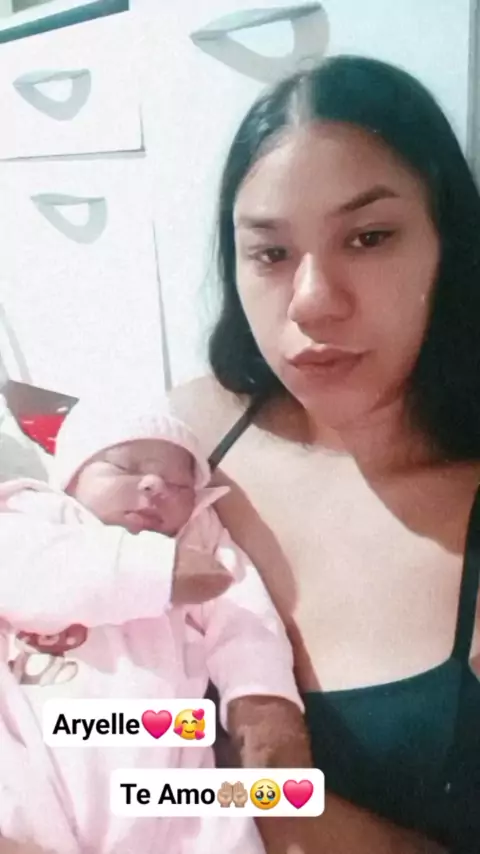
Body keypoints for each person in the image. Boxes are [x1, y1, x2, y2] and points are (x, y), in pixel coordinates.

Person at [171, 55, 480, 854]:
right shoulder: (180, 439)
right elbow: (77, 720)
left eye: (369, 238)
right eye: (270, 253)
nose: (312, 301)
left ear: (449, 242)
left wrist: (244, 789)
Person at [0, 393, 310, 854]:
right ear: (72, 476)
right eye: (125, 468)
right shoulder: (38, 513)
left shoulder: (198, 539)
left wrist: (262, 700)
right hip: (39, 744)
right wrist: (157, 569)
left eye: (179, 483)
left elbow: (245, 619)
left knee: (223, 827)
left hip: (168, 758)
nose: (154, 485)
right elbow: (25, 569)